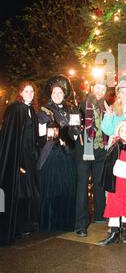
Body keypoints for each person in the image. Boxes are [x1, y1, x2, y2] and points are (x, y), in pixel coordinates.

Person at [37, 75, 79, 232]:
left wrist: (75, 129)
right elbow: (41, 135)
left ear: (64, 94)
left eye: (60, 92)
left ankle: (66, 222)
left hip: (68, 154)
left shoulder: (71, 109)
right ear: (50, 94)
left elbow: (75, 134)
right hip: (52, 155)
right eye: (55, 92)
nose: (57, 95)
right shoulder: (44, 111)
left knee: (67, 188)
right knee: (53, 188)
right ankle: (50, 223)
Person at [0, 81, 40, 245]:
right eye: (26, 91)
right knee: (19, 192)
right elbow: (12, 138)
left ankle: (26, 225)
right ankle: (16, 227)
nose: (29, 94)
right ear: (20, 92)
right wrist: (19, 161)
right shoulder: (17, 109)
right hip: (18, 158)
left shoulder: (30, 110)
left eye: (32, 91)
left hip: (30, 157)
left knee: (28, 191)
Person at [98, 120, 126, 246]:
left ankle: (124, 231)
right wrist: (107, 183)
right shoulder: (114, 146)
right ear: (118, 132)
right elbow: (107, 165)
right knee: (114, 206)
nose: (125, 133)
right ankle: (113, 233)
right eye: (122, 131)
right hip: (116, 183)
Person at [74, 80, 108, 237]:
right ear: (92, 88)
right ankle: (80, 223)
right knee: (82, 187)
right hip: (85, 151)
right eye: (98, 88)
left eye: (103, 88)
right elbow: (73, 126)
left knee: (99, 184)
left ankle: (100, 215)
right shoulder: (81, 104)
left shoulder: (106, 106)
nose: (100, 91)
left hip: (101, 150)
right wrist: (75, 130)